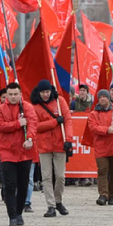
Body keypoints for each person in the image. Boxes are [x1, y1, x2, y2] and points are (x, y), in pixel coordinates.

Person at [0, 82, 38, 226]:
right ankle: (12, 215)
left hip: (25, 152)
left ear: (20, 94)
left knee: (23, 185)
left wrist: (30, 139)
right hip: (6, 151)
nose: (13, 97)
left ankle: (19, 213)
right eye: (10, 94)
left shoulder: (27, 108)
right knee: (9, 185)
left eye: (15, 94)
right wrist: (17, 124)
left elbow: (33, 124)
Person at [31, 80, 73, 217]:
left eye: (47, 92)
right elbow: (36, 126)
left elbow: (68, 121)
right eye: (43, 92)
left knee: (60, 176)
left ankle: (58, 200)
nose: (45, 94)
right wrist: (54, 122)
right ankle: (50, 205)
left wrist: (69, 140)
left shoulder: (60, 101)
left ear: (51, 91)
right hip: (44, 146)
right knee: (47, 177)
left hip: (60, 144)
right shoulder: (35, 107)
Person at [87, 89, 113, 207]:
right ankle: (103, 195)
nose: (102, 99)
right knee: (102, 171)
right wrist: (106, 130)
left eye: (104, 97)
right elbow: (93, 127)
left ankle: (112, 195)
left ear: (108, 98)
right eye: (100, 97)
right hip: (101, 147)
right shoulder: (94, 114)